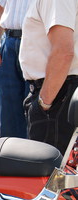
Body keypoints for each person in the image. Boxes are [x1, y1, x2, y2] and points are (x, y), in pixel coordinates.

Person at [20, 0, 78, 155]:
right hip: (61, 90)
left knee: (50, 173)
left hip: (58, 93)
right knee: (63, 172)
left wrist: (43, 104)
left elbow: (63, 52)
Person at [0, 0, 32, 138]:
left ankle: (35, 158)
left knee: (37, 116)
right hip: (9, 44)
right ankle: (10, 158)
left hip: (38, 43)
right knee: (9, 117)